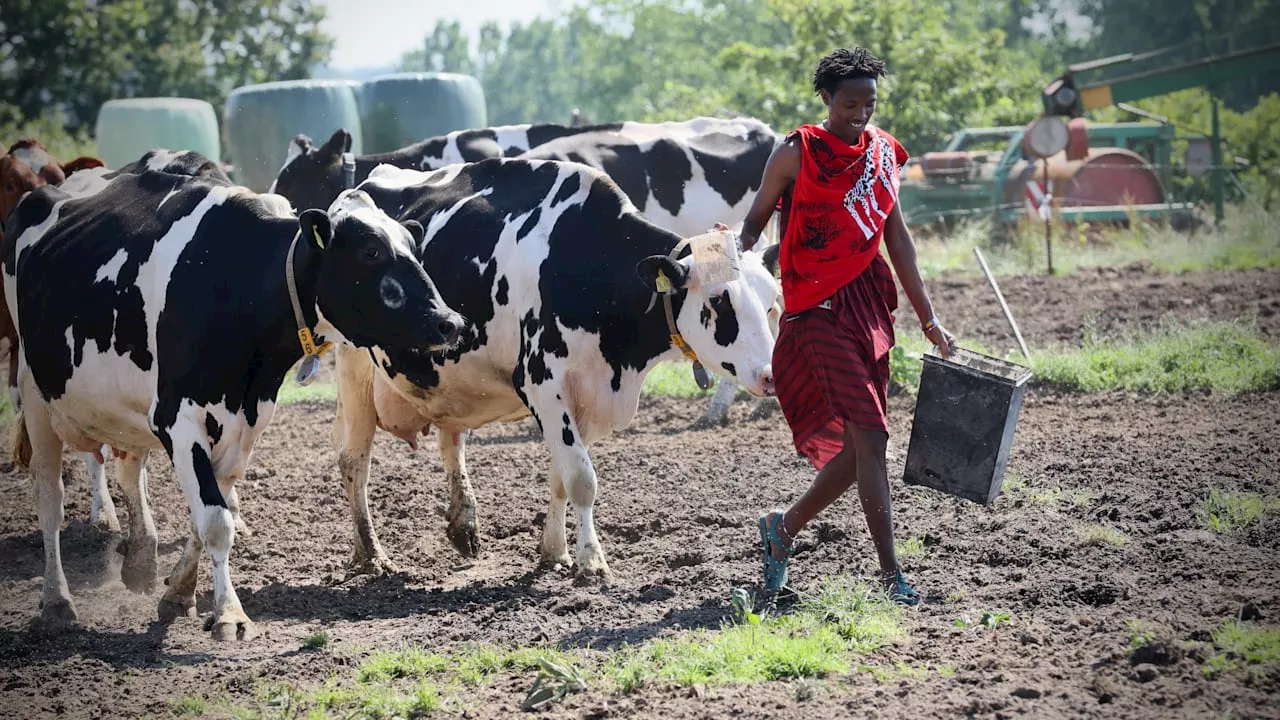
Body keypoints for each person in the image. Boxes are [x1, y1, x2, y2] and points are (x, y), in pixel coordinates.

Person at [734, 47, 957, 605]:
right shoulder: (797, 151)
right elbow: (754, 224)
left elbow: (897, 240)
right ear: (827, 100)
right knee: (873, 437)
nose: (860, 113)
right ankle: (891, 578)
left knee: (861, 451)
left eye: (869, 103)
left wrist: (928, 316)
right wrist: (727, 257)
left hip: (868, 307)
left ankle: (782, 530)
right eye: (850, 103)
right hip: (815, 310)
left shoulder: (883, 155)